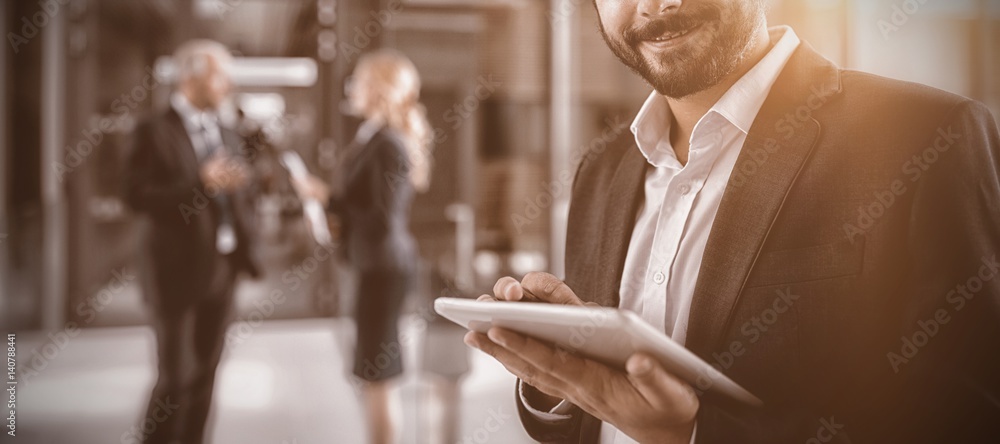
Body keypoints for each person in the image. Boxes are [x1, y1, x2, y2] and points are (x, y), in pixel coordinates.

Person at [464, 1, 1000, 443]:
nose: (657, 5)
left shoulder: (928, 137)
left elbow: (968, 419)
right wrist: (559, 381)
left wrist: (698, 432)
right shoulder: (599, 172)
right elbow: (589, 426)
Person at [292, 49, 432, 444]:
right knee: (373, 373)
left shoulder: (388, 143)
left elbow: (379, 218)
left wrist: (326, 198)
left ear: (378, 90)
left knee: (378, 375)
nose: (351, 87)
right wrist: (326, 204)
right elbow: (366, 208)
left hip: (384, 269)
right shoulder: (374, 135)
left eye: (359, 81)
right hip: (376, 265)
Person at [124, 40, 259, 444]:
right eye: (220, 74)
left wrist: (239, 190)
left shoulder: (228, 131)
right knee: (175, 379)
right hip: (173, 272)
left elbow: (239, 196)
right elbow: (136, 196)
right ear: (190, 76)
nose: (228, 82)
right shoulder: (152, 130)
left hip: (221, 269)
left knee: (206, 375)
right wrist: (200, 183)